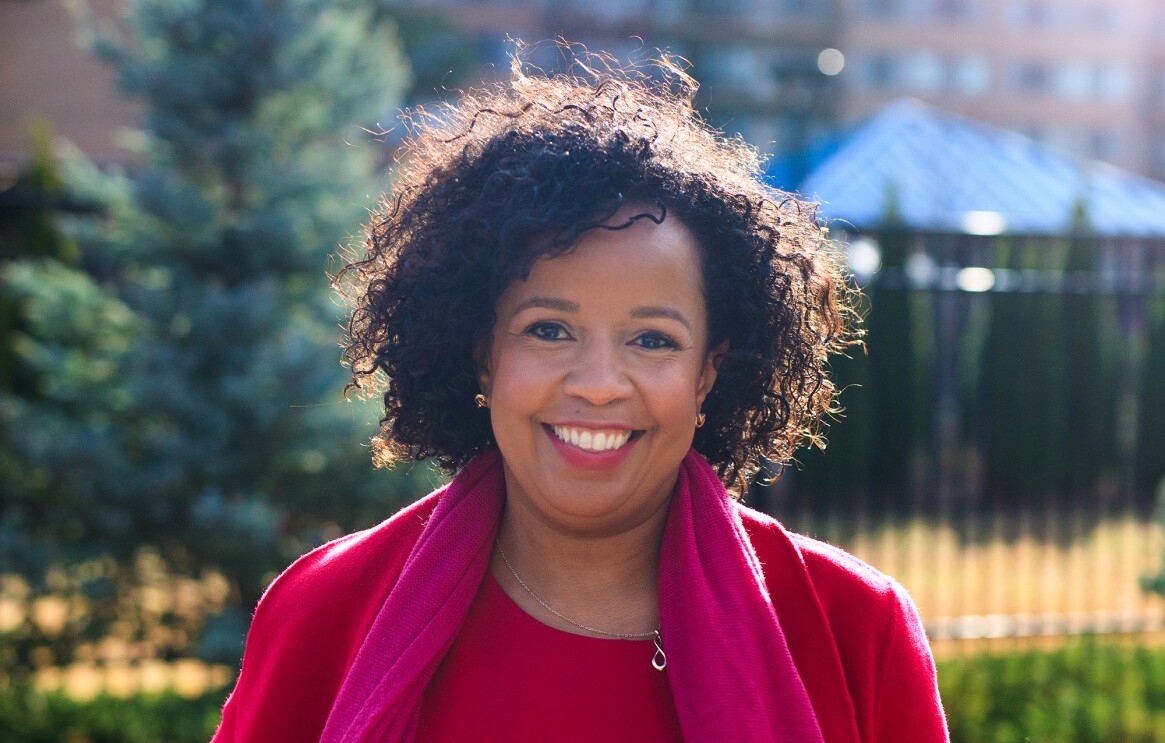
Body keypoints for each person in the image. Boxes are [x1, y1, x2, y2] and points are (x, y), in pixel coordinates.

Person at [211, 45, 948, 743]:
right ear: (481, 355)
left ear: (708, 373)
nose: (598, 384)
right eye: (548, 330)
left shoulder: (853, 627)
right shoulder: (326, 611)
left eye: (652, 339)